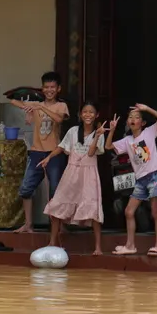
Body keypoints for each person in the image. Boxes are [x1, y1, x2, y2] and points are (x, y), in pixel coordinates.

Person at [39, 101, 108, 254]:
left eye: (91, 112)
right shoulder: (73, 131)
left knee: (93, 208)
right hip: (71, 173)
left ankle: (98, 247)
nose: (88, 115)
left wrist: (97, 136)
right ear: (80, 114)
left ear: (97, 115)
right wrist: (49, 157)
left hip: (89, 175)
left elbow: (91, 153)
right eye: (85, 111)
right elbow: (62, 147)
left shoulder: (100, 133)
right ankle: (52, 242)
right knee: (58, 204)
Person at [105, 103, 157, 257]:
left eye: (137, 117)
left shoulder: (149, 132)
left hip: (154, 176)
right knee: (129, 211)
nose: (133, 120)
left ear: (143, 122)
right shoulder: (127, 141)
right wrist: (112, 130)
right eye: (130, 117)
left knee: (155, 212)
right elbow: (108, 147)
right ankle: (130, 245)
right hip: (140, 180)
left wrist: (147, 109)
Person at [11, 72, 69, 233]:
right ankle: (28, 224)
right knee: (26, 189)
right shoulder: (37, 104)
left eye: (53, 87)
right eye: (46, 87)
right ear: (42, 88)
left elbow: (58, 119)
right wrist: (31, 102)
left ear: (59, 89)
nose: (49, 90)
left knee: (55, 191)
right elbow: (13, 101)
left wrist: (41, 106)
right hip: (36, 152)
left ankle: (58, 226)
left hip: (54, 153)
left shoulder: (61, 106)